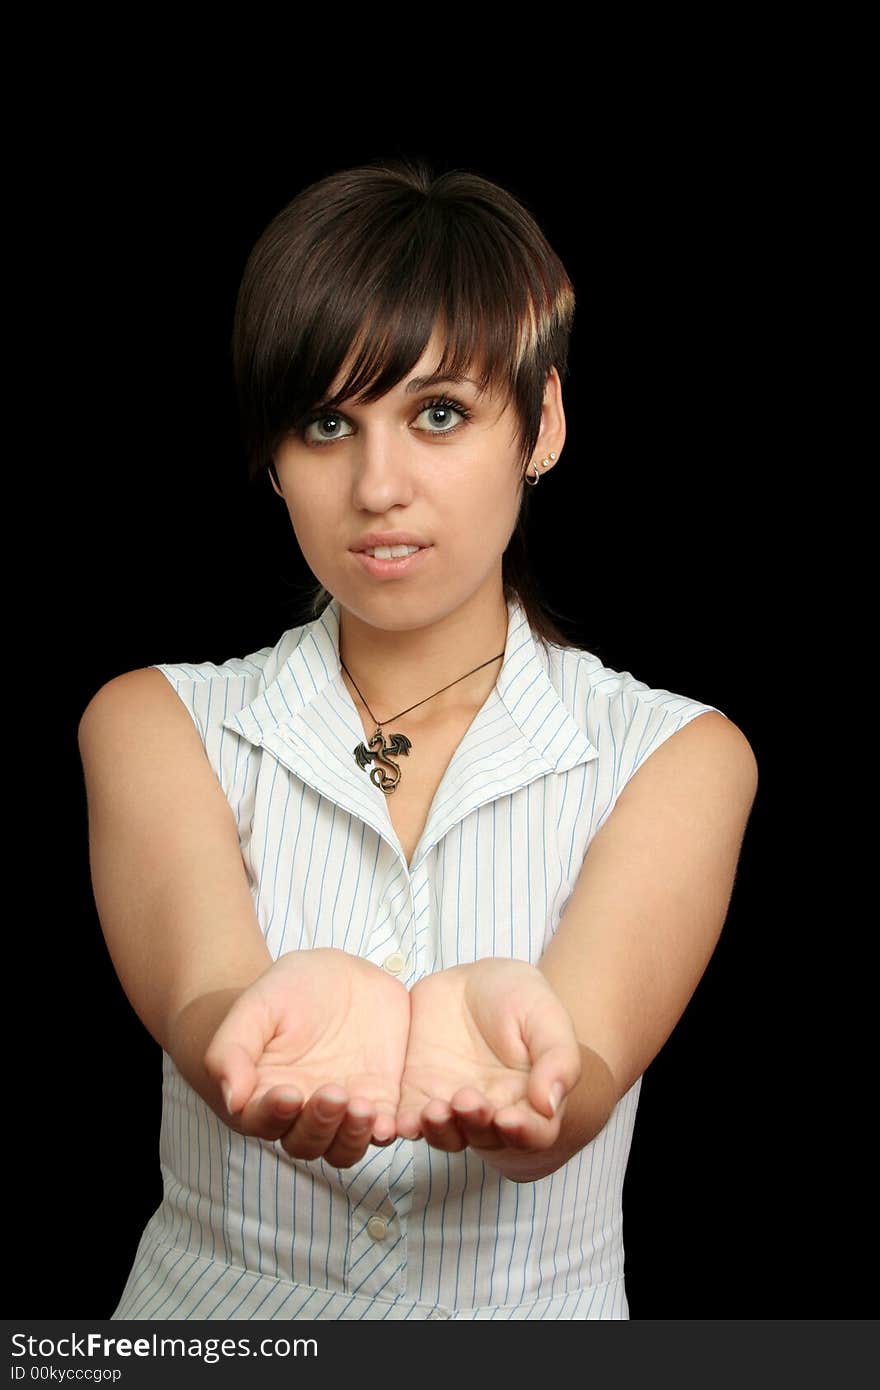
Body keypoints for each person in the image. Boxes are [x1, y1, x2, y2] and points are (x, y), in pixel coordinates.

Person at [77, 157, 758, 1321]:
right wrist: (257, 1028)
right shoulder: (157, 723)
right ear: (275, 456)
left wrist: (539, 1080)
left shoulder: (675, 754)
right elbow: (205, 1002)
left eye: (438, 412)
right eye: (326, 422)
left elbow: (579, 1081)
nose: (377, 484)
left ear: (540, 425)